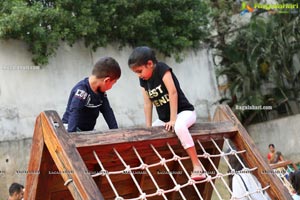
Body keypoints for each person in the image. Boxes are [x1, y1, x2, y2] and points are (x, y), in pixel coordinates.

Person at [128, 46, 205, 180]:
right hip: (165, 120)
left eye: (140, 71)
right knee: (150, 135)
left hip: (184, 112)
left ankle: (197, 166)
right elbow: (147, 103)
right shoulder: (144, 80)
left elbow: (173, 92)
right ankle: (156, 170)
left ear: (150, 64)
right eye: (136, 73)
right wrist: (148, 127)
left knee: (179, 127)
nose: (139, 75)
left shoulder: (162, 69)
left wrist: (173, 119)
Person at [62, 57, 121, 132]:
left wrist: (116, 132)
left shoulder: (101, 93)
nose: (111, 87)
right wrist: (72, 136)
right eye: (113, 83)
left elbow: (107, 111)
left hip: (87, 130)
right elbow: (75, 111)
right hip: (71, 128)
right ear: (107, 81)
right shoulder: (82, 90)